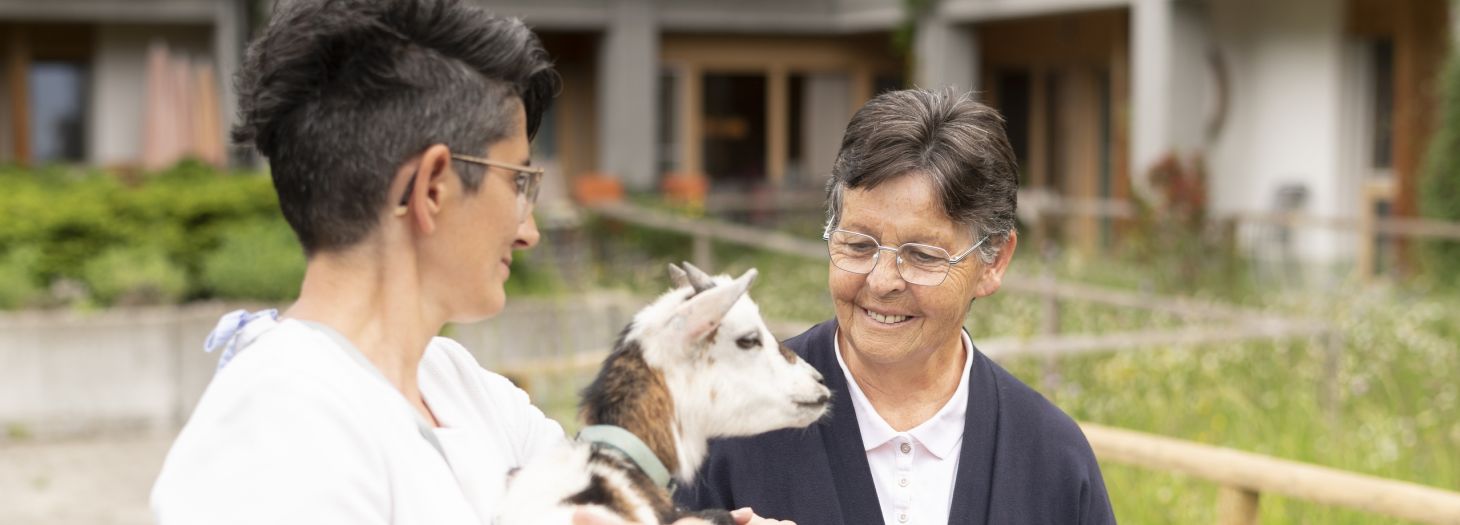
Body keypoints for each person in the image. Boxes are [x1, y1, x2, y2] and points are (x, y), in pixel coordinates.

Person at [150, 1, 778, 524]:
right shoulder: (274, 436)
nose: (529, 230)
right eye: (520, 182)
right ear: (432, 188)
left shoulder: (454, 380)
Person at [676, 89, 1116, 524]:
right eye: (858, 244)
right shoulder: (722, 431)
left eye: (923, 255)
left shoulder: (1052, 459)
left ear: (993, 261)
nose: (882, 281)